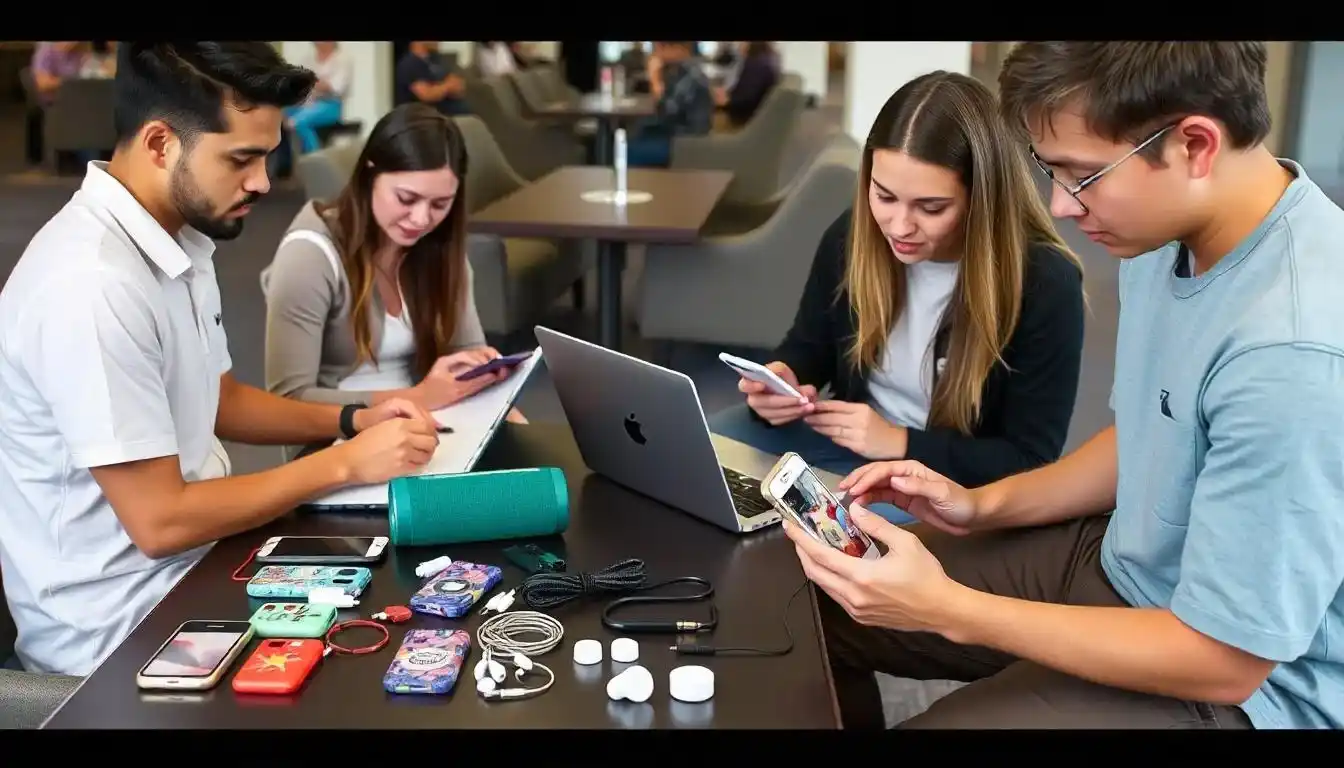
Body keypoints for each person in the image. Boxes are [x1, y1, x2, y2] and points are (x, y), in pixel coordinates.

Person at [787, 42, 1344, 731]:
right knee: (816, 599)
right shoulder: (1165, 233)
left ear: (1196, 146)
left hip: (1241, 686)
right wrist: (979, 505)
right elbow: (1149, 436)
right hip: (1125, 563)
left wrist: (950, 611)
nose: (1062, 206)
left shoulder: (1292, 355)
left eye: (1081, 176)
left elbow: (1227, 661)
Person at [0, 42, 440, 677]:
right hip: (117, 639)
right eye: (243, 158)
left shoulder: (175, 231)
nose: (262, 181)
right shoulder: (90, 284)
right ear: (160, 144)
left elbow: (220, 399)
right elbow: (160, 519)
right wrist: (344, 465)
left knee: (420, 609)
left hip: (197, 568)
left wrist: (352, 421)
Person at [712, 72, 1086, 521]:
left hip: (947, 480)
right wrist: (783, 379)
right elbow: (809, 346)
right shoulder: (852, 236)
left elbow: (1029, 461)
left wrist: (899, 442)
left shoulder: (1045, 282)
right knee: (701, 457)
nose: (899, 226)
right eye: (884, 196)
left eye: (931, 208)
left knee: (814, 543)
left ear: (980, 200)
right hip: (845, 441)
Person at [262, 103, 526, 460]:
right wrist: (419, 397)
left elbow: (465, 351)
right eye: (407, 198)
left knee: (527, 459)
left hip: (428, 424)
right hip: (336, 445)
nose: (421, 219)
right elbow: (285, 404)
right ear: (370, 173)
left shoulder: (442, 251)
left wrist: (488, 388)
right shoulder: (310, 255)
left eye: (440, 204)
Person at [626, 41, 713, 168]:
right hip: (675, 133)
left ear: (679, 48)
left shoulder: (691, 75)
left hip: (685, 141)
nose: (656, 52)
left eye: (661, 46)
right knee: (636, 134)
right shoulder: (680, 70)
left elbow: (667, 112)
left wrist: (655, 81)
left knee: (630, 150)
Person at [284, 42, 352, 154]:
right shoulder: (308, 59)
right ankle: (285, 164)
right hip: (308, 102)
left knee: (299, 122)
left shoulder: (343, 59)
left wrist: (311, 83)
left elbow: (335, 88)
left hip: (331, 105)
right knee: (282, 112)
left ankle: (314, 158)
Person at [715, 41, 780, 128]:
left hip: (743, 120)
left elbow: (745, 98)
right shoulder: (764, 58)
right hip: (753, 114)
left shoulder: (756, 66)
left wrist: (726, 100)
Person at [395, 41, 468, 117]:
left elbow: (459, 87)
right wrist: (447, 86)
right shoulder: (409, 64)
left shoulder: (436, 60)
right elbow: (427, 94)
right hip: (426, 120)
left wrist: (442, 88)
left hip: (452, 117)